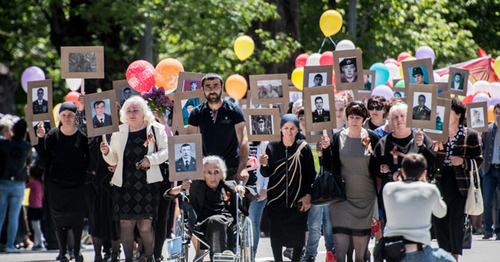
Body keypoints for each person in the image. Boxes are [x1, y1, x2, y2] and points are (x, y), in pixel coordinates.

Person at [100, 96, 168, 262]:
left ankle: (150, 257)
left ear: (143, 112)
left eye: (135, 110)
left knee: (145, 226)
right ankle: (129, 259)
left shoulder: (156, 129)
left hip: (147, 184)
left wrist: (150, 160)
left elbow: (167, 152)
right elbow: (114, 160)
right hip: (124, 184)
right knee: (126, 224)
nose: (131, 113)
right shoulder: (119, 132)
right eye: (128, 110)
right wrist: (106, 152)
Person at [318, 102, 379, 262]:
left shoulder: (372, 137)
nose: (354, 121)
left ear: (363, 119)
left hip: (365, 199)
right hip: (342, 198)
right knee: (340, 248)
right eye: (351, 117)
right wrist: (323, 151)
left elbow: (378, 164)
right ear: (346, 118)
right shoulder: (338, 137)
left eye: (357, 118)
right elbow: (328, 165)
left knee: (360, 255)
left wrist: (384, 167)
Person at [165, 156, 256, 259]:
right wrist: (181, 187)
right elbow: (167, 195)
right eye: (209, 173)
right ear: (203, 174)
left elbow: (252, 195)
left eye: (216, 172)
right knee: (216, 220)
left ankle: (222, 256)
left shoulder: (230, 185)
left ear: (222, 174)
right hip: (203, 224)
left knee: (219, 221)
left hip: (229, 223)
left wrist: (243, 189)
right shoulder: (195, 187)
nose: (213, 176)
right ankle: (221, 257)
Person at [35, 102, 89, 262]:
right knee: (60, 219)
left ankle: (77, 251)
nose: (67, 118)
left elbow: (88, 158)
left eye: (70, 115)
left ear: (75, 117)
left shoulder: (82, 135)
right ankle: (63, 251)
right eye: (64, 115)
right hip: (56, 185)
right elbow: (44, 158)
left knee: (77, 219)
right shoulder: (52, 135)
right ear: (59, 116)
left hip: (77, 184)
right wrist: (40, 139)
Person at [259, 114, 315, 262]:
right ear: (281, 129)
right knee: (276, 235)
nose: (289, 131)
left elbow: (311, 174)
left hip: (298, 200)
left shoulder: (304, 148)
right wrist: (263, 164)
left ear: (297, 129)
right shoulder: (271, 147)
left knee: (297, 236)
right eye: (286, 128)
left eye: (292, 128)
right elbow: (267, 173)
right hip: (276, 201)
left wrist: (308, 195)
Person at [433, 98, 483, 261]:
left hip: (459, 184)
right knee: (440, 219)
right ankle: (443, 253)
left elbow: (479, 160)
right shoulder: (438, 133)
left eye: (450, 111)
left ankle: (454, 255)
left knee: (455, 221)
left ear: (459, 115)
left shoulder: (470, 135)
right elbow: (430, 157)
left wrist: (463, 162)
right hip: (440, 180)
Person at [381, 153, 455, 262]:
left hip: (393, 253)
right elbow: (441, 212)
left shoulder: (388, 188)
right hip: (420, 251)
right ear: (424, 173)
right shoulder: (430, 189)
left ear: (403, 172)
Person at [75, 95, 121, 262]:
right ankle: (97, 254)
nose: (103, 111)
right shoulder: (93, 129)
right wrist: (81, 107)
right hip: (94, 181)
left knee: (114, 219)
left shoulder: (120, 132)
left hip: (113, 180)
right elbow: (79, 125)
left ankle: (114, 253)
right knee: (96, 218)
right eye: (99, 108)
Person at [371, 102, 435, 221]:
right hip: (393, 198)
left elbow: (433, 163)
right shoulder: (383, 143)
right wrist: (384, 170)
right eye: (395, 117)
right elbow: (373, 168)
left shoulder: (420, 138)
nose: (399, 119)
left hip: (417, 196)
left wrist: (422, 146)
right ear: (390, 121)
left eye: (402, 116)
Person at [187, 73, 249, 183]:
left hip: (232, 170)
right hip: (207, 171)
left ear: (222, 87)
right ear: (203, 89)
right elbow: (190, 143)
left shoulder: (235, 110)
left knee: (235, 199)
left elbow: (243, 141)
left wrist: (242, 168)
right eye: (208, 86)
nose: (212, 90)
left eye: (215, 86)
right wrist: (189, 174)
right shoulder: (196, 113)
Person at [0, 119, 32, 253]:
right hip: (19, 183)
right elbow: (29, 162)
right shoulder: (27, 146)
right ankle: (10, 244)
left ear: (12, 130)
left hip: (4, 181)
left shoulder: (4, 144)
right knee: (14, 215)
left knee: (0, 215)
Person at [480, 103, 500, 240]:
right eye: (496, 112)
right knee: (487, 201)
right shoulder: (488, 128)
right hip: (489, 169)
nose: (498, 115)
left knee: (499, 202)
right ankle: (487, 229)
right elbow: (482, 147)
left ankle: (498, 230)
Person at [25, 166, 46, 250]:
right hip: (39, 207)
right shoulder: (41, 183)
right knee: (36, 226)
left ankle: (40, 241)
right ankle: (37, 243)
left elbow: (25, 186)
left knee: (35, 226)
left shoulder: (34, 183)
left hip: (34, 207)